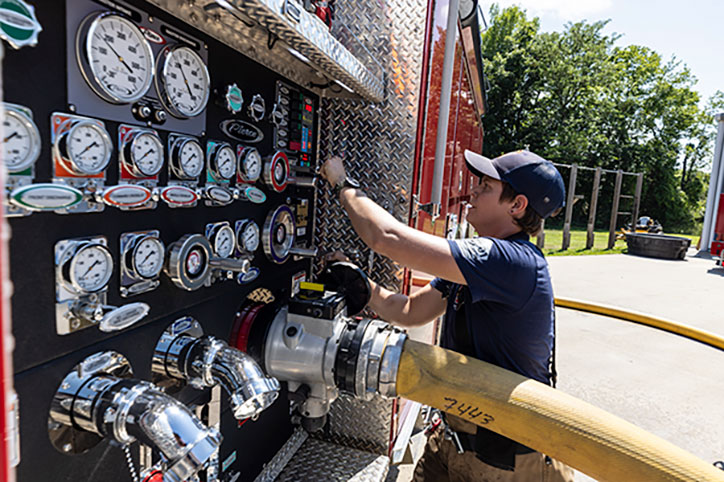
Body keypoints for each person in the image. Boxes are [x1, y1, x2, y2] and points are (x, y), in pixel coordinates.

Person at [320, 149, 575, 482]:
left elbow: (386, 237)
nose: (473, 190)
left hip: (506, 460)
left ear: (517, 206)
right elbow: (410, 310)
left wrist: (340, 181)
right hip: (455, 437)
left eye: (486, 186)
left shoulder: (512, 260)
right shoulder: (477, 267)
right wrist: (361, 283)